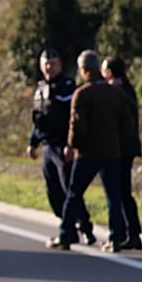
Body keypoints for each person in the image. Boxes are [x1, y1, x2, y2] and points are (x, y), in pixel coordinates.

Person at [48, 50, 138, 251]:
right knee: (113, 198)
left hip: (88, 153)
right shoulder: (116, 93)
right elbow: (128, 123)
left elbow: (77, 125)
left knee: (74, 194)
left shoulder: (83, 93)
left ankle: (66, 234)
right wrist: (117, 141)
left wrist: (73, 146)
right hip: (112, 153)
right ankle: (115, 238)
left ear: (84, 70)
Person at [26, 48, 94, 244]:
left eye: (53, 63)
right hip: (48, 147)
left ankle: (85, 227)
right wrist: (33, 142)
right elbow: (38, 120)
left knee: (70, 190)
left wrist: (71, 145)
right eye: (46, 63)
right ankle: (68, 227)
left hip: (63, 146)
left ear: (60, 65)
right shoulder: (40, 89)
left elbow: (73, 119)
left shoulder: (67, 87)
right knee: (53, 191)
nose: (49, 67)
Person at [102, 55, 142, 250]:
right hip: (128, 146)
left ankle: (126, 233)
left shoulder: (116, 91)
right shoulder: (127, 88)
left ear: (109, 71)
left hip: (121, 147)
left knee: (119, 191)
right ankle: (132, 233)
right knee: (124, 190)